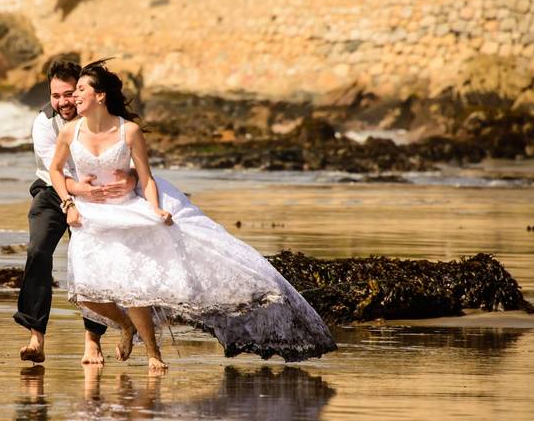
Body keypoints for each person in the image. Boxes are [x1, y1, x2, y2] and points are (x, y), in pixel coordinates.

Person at [49, 60, 337, 373]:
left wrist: (156, 208)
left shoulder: (128, 131)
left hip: (125, 214)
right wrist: (69, 203)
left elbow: (145, 177)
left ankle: (153, 353)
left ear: (100, 96)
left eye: (80, 89)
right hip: (88, 216)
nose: (74, 96)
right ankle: (126, 327)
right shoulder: (69, 132)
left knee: (133, 290)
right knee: (85, 294)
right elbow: (54, 170)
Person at [14, 60, 137, 364]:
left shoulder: (108, 119)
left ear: (83, 90)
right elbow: (55, 172)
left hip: (101, 196)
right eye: (55, 95)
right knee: (38, 250)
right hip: (54, 190)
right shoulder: (44, 121)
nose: (62, 102)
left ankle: (92, 340)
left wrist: (126, 182)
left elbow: (130, 161)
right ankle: (35, 337)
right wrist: (76, 196)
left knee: (93, 265)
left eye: (69, 94)